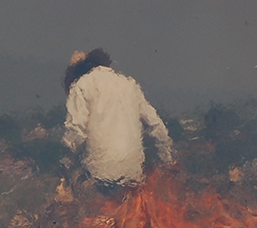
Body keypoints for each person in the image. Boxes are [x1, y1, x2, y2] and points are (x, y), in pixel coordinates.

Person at [62, 49, 174, 186]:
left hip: (99, 175)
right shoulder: (129, 84)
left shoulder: (81, 85)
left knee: (73, 189)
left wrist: (67, 162)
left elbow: (76, 130)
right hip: (133, 173)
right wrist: (166, 159)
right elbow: (156, 125)